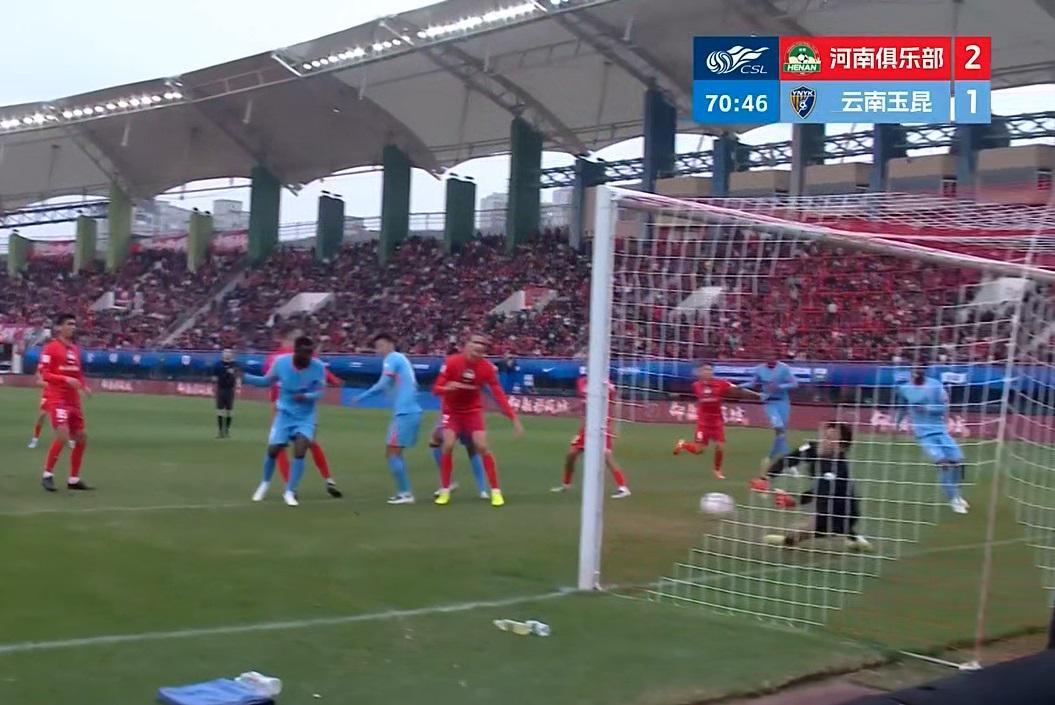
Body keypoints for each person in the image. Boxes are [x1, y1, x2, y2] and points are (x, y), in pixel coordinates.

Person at [433, 333, 523, 507]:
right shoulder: (452, 362)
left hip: (472, 411)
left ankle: (495, 491)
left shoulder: (487, 368)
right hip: (452, 411)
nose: (479, 346)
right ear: (467, 345)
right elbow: (436, 389)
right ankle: (445, 490)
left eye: (482, 344)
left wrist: (513, 417)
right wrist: (448, 388)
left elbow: (498, 393)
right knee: (448, 444)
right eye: (476, 342)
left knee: (481, 446)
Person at [761, 422, 873, 552]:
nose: (824, 441)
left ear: (841, 447)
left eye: (830, 439)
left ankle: (851, 536)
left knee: (796, 533)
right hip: (825, 507)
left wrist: (796, 500)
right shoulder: (814, 448)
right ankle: (853, 538)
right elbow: (789, 459)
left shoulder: (837, 466)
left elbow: (821, 491)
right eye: (824, 436)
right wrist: (767, 477)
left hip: (840, 513)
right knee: (798, 533)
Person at [243, 336, 327, 507]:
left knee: (301, 447)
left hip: (305, 416)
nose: (307, 359)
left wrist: (306, 396)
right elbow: (266, 381)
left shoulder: (318, 366)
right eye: (304, 354)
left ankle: (290, 491)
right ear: (296, 351)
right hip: (285, 414)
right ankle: (264, 484)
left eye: (309, 355)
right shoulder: (281, 363)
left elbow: (321, 391)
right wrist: (245, 377)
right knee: (274, 449)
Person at [263, 327, 342, 498]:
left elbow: (269, 380)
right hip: (297, 406)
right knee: (310, 442)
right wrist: (334, 380)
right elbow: (321, 369)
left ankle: (290, 486)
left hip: (281, 407)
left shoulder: (274, 358)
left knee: (279, 446)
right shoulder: (298, 357)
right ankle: (328, 479)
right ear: (287, 339)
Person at [354, 333, 423, 505]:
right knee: (394, 453)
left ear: (391, 344)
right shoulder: (401, 359)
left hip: (405, 413)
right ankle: (403, 492)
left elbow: (383, 383)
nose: (379, 350)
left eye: (381, 345)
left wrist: (362, 396)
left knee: (392, 453)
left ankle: (405, 493)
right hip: (408, 411)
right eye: (377, 347)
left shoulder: (392, 358)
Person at [895, 365, 969, 514]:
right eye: (914, 371)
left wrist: (927, 408)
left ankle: (957, 494)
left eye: (920, 370)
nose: (917, 373)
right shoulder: (904, 389)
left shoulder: (935, 385)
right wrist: (897, 423)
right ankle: (954, 500)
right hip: (924, 435)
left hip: (940, 431)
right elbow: (903, 407)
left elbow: (943, 407)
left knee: (958, 461)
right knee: (943, 463)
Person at [674, 362, 761, 479]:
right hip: (703, 422)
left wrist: (756, 394)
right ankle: (683, 444)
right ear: (700, 372)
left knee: (720, 446)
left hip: (716, 421)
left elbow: (739, 389)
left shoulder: (721, 383)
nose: (708, 372)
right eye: (705, 370)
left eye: (710, 370)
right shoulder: (696, 385)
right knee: (698, 450)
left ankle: (717, 470)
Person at [551, 370, 630, 498]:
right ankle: (566, 484)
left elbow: (616, 403)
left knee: (606, 456)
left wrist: (614, 425)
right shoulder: (583, 382)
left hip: (602, 425)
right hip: (587, 426)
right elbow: (585, 402)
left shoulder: (607, 384)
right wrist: (570, 409)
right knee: (571, 454)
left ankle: (623, 487)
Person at [37, 313, 92, 492]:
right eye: (69, 324)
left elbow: (78, 373)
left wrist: (83, 386)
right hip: (58, 398)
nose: (73, 327)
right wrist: (65, 379)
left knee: (81, 437)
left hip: (73, 400)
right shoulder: (51, 348)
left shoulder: (75, 349)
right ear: (59, 327)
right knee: (62, 435)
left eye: (74, 324)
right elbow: (45, 374)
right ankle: (47, 475)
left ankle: (73, 479)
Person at [740, 357, 799, 464]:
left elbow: (795, 384)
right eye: (768, 356)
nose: (770, 359)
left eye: (772, 356)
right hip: (769, 403)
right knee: (778, 428)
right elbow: (752, 383)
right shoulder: (760, 369)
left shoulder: (784, 368)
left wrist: (779, 386)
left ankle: (770, 457)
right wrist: (738, 386)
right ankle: (789, 460)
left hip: (783, 402)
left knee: (781, 433)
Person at [428, 418, 490, 499]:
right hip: (461, 415)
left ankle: (482, 489)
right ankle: (482, 490)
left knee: (471, 447)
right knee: (436, 440)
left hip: (457, 415)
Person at [212, 348, 239, 438]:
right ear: (222, 354)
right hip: (221, 389)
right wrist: (215, 385)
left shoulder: (234, 365)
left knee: (229, 411)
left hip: (230, 390)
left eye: (229, 352)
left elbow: (237, 376)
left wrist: (238, 386)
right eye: (225, 352)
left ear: (232, 354)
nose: (227, 354)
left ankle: (227, 430)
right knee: (219, 411)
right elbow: (214, 377)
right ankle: (220, 431)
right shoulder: (217, 365)